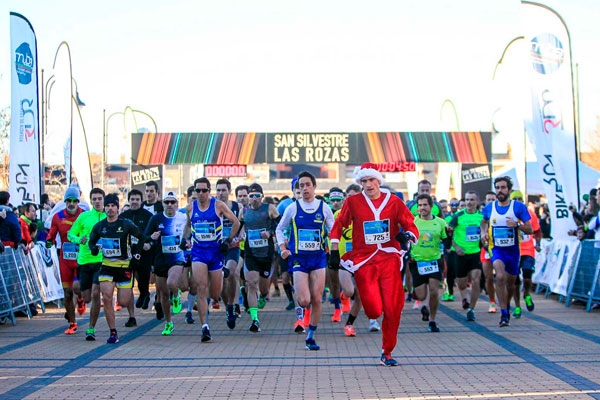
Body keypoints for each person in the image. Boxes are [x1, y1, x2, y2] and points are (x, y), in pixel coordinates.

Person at [330, 163, 419, 365]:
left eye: (371, 180)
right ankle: (367, 307)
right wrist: (334, 249)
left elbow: (410, 223)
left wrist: (409, 236)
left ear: (378, 180)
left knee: (393, 308)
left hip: (389, 258)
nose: (368, 185)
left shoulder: (394, 201)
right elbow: (338, 225)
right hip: (364, 260)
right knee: (373, 310)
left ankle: (387, 352)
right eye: (364, 181)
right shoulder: (353, 202)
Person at [276, 171, 334, 351]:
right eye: (301, 186)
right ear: (298, 189)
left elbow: (334, 230)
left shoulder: (324, 208)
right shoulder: (292, 208)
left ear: (314, 186)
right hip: (299, 258)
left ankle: (311, 336)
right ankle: (302, 310)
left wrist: (334, 245)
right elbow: (280, 229)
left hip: (318, 258)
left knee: (316, 299)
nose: (305, 188)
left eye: (308, 184)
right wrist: (282, 248)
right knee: (304, 299)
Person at [182, 177, 241, 342]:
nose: (201, 194)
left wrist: (228, 241)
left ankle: (226, 299)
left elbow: (236, 222)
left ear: (209, 191)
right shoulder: (190, 208)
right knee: (201, 288)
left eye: (204, 190)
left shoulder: (218, 205)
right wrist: (184, 238)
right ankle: (205, 328)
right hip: (199, 253)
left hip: (215, 253)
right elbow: (188, 225)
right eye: (198, 190)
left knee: (215, 294)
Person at [88, 194, 147, 344]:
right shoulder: (100, 226)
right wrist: (94, 248)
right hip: (107, 266)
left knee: (123, 301)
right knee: (107, 297)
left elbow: (141, 237)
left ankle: (124, 308)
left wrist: (137, 256)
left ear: (117, 208)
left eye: (113, 206)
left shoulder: (126, 224)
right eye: (107, 206)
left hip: (124, 266)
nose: (110, 209)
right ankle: (113, 332)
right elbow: (91, 240)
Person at [481, 177, 533, 327]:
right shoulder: (490, 207)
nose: (500, 191)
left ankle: (506, 306)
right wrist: (483, 233)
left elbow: (529, 229)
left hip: (513, 251)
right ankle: (503, 313)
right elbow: (484, 221)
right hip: (496, 249)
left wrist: (516, 224)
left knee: (510, 284)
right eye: (497, 188)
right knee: (500, 276)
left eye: (503, 188)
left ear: (509, 190)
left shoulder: (518, 207)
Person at [145, 191, 188, 335]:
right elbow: (145, 236)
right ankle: (169, 322)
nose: (169, 205)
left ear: (177, 204)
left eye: (172, 202)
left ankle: (176, 296)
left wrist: (188, 242)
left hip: (177, 258)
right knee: (163, 294)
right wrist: (151, 237)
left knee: (171, 283)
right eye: (167, 202)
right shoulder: (156, 219)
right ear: (162, 204)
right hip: (160, 259)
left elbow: (191, 232)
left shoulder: (183, 218)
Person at [239, 183, 279, 332]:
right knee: (251, 283)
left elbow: (280, 225)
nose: (254, 198)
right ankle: (254, 320)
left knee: (262, 287)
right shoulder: (244, 211)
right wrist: (239, 236)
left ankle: (263, 295)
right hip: (251, 253)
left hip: (266, 254)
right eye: (251, 196)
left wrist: (270, 233)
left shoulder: (269, 208)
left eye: (257, 195)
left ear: (262, 196)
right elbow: (239, 226)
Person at [67, 188, 106, 341]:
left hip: (101, 261)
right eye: (94, 199)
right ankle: (81, 299)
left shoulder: (107, 217)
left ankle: (91, 328)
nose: (97, 201)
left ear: (103, 200)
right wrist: (79, 240)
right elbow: (71, 234)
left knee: (97, 294)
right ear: (91, 201)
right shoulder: (84, 216)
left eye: (99, 198)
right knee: (86, 297)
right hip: (84, 261)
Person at [46, 186, 85, 334]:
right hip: (65, 259)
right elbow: (51, 234)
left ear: (78, 202)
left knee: (76, 287)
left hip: (81, 259)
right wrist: (48, 242)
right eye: (69, 201)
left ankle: (80, 298)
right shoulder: (57, 217)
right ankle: (72, 323)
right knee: (67, 293)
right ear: (65, 201)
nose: (71, 204)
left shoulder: (84, 216)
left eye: (74, 201)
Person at [409, 194, 447, 332]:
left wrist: (449, 234)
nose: (422, 208)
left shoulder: (440, 223)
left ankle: (432, 319)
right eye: (420, 205)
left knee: (434, 290)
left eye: (425, 205)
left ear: (431, 206)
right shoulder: (413, 222)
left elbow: (446, 241)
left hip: (434, 260)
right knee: (421, 295)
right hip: (417, 261)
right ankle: (424, 305)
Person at [449, 191, 483, 321]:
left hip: (475, 253)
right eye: (467, 200)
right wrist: (456, 247)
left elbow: (486, 231)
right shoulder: (458, 216)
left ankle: (471, 309)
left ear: (477, 202)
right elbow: (447, 233)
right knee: (462, 283)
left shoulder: (481, 217)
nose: (469, 202)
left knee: (476, 280)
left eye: (472, 200)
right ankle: (464, 297)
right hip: (460, 254)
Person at [120, 190, 154, 320]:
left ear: (141, 201)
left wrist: (149, 243)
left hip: (144, 253)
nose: (134, 202)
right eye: (132, 199)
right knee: (129, 283)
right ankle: (131, 315)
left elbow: (152, 231)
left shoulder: (147, 215)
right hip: (127, 253)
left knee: (143, 280)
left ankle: (144, 294)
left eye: (137, 199)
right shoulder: (124, 216)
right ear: (129, 200)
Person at [509, 191, 542, 317]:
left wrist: (538, 243)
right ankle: (517, 306)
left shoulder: (530, 214)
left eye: (520, 199)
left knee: (527, 276)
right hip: (514, 251)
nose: (518, 201)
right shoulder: (509, 214)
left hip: (528, 250)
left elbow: (538, 231)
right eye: (515, 199)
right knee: (515, 281)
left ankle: (527, 294)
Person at [216, 179, 242, 328]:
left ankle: (232, 304)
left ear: (229, 191)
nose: (220, 193)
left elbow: (241, 224)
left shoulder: (237, 206)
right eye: (218, 190)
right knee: (221, 280)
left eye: (223, 190)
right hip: (216, 249)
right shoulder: (212, 206)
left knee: (230, 273)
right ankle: (228, 307)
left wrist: (240, 235)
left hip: (232, 246)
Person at [276, 178, 301, 311]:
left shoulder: (310, 205)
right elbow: (276, 223)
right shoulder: (284, 204)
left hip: (300, 247)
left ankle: (301, 301)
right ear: (292, 190)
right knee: (285, 276)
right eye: (297, 189)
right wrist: (280, 238)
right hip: (285, 246)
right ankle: (291, 300)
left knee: (299, 275)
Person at [178, 186, 199, 324]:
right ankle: (176, 295)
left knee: (195, 284)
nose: (195, 201)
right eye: (193, 199)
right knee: (184, 285)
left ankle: (189, 311)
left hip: (197, 253)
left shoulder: (204, 212)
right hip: (183, 253)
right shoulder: (181, 213)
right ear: (187, 198)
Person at [327, 187, 345, 323]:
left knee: (349, 283)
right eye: (332, 200)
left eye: (338, 200)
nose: (335, 203)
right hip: (329, 251)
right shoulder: (325, 213)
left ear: (343, 200)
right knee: (333, 282)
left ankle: (347, 299)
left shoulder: (347, 213)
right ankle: (337, 308)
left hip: (346, 252)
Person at [482, 191, 497, 312]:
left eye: (493, 199)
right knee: (489, 277)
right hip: (486, 249)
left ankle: (504, 301)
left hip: (499, 248)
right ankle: (492, 302)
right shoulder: (484, 213)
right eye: (489, 199)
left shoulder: (501, 212)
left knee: (503, 277)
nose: (491, 202)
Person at [236, 185, 250, 315]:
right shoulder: (233, 210)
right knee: (237, 273)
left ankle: (248, 296)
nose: (242, 198)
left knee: (249, 279)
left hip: (253, 250)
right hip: (238, 249)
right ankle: (240, 299)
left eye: (244, 195)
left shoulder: (253, 210)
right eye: (239, 196)